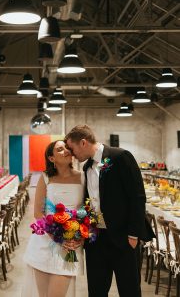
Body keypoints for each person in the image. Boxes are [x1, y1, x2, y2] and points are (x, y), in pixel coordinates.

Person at [65, 125, 155, 297]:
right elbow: (90, 201)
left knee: (129, 291)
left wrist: (133, 235)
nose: (72, 153)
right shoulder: (87, 167)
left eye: (72, 147)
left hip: (124, 239)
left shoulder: (120, 157)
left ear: (83, 142)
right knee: (96, 291)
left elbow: (137, 197)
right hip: (96, 240)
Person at [23, 140, 85, 297]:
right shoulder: (45, 178)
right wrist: (57, 237)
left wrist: (81, 237)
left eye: (66, 147)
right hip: (44, 243)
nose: (66, 150)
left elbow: (89, 210)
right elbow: (38, 213)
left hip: (70, 245)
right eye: (60, 149)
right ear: (52, 158)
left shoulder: (83, 178)